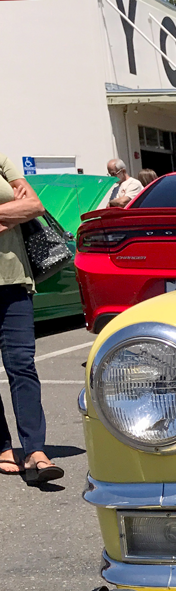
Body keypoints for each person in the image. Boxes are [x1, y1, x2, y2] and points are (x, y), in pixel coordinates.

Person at [0, 151, 62, 484]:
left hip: (14, 281)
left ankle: (34, 449)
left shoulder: (1, 159)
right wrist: (12, 211)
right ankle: (2, 446)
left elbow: (35, 206)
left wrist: (17, 211)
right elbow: (21, 207)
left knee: (22, 365)